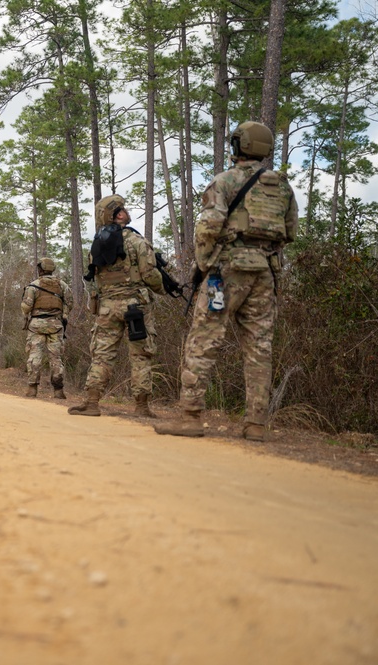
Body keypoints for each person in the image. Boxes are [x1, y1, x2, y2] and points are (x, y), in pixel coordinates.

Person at [155, 121, 298, 441]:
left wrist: (204, 266)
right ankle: (256, 424)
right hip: (265, 274)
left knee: (203, 342)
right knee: (259, 348)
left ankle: (191, 417)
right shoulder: (283, 188)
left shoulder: (224, 181)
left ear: (238, 146)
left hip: (227, 271)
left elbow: (207, 229)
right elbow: (290, 233)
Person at [68, 195, 166, 418]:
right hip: (135, 307)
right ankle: (141, 407)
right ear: (118, 214)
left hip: (107, 307)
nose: (126, 212)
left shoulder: (97, 245)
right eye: (123, 209)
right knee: (141, 355)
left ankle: (92, 403)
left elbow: (94, 276)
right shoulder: (137, 242)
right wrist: (162, 289)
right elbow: (150, 274)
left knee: (102, 355)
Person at [20, 258, 71, 398]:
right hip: (56, 325)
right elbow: (69, 303)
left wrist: (25, 314)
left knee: (35, 356)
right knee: (56, 358)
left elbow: (26, 306)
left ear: (40, 269)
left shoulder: (33, 286)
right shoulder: (63, 286)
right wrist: (63, 316)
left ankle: (32, 389)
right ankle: (58, 391)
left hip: (37, 325)